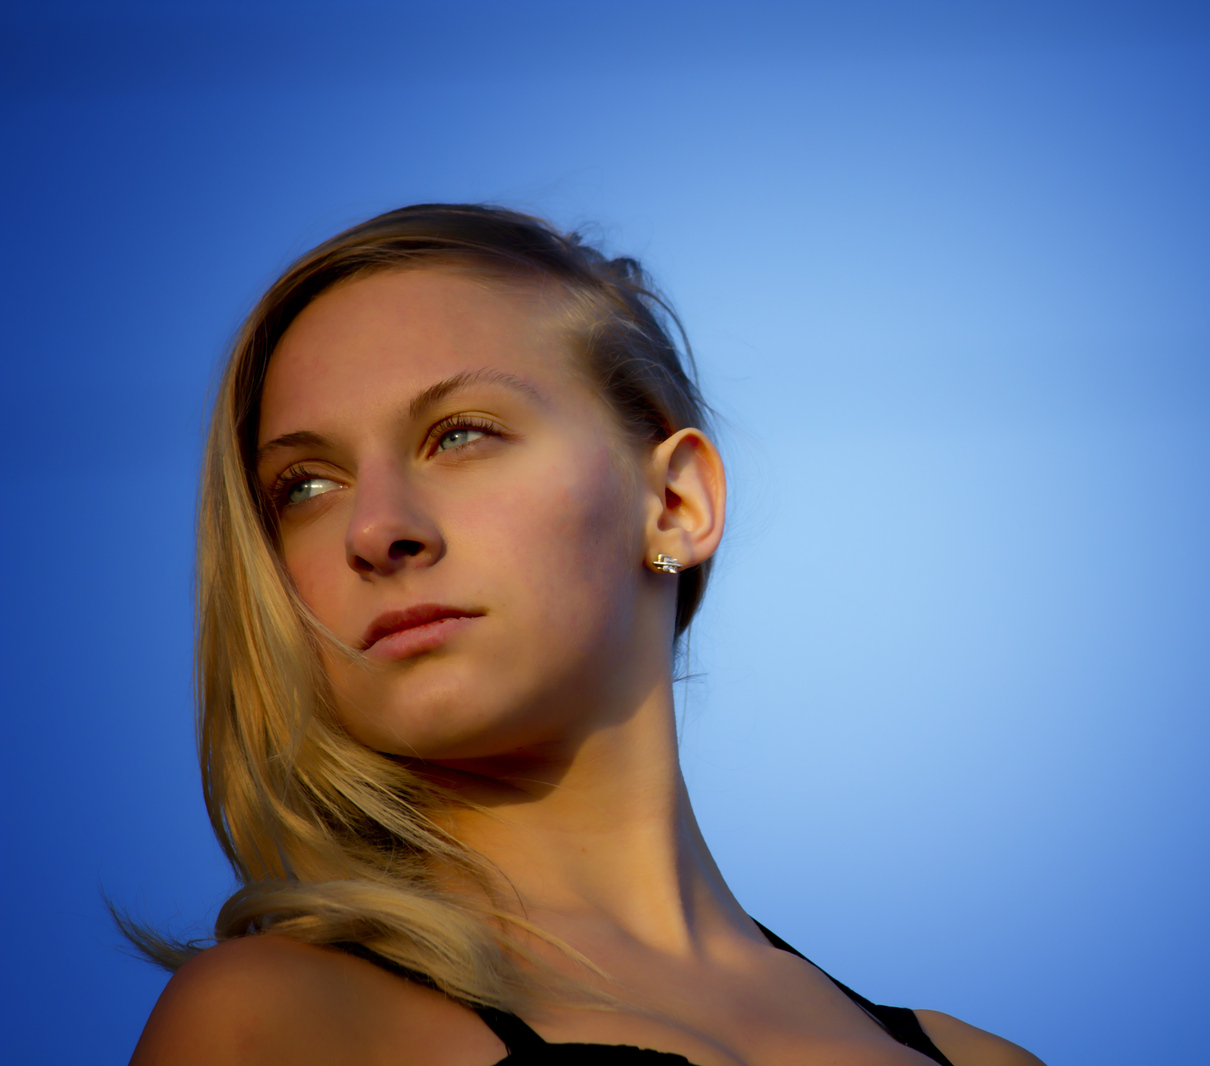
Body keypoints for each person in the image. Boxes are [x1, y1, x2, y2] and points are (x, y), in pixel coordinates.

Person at [126, 204, 1045, 1066]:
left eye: (460, 435)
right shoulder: (279, 1024)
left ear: (675, 504)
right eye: (305, 487)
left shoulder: (979, 1059)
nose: (373, 529)